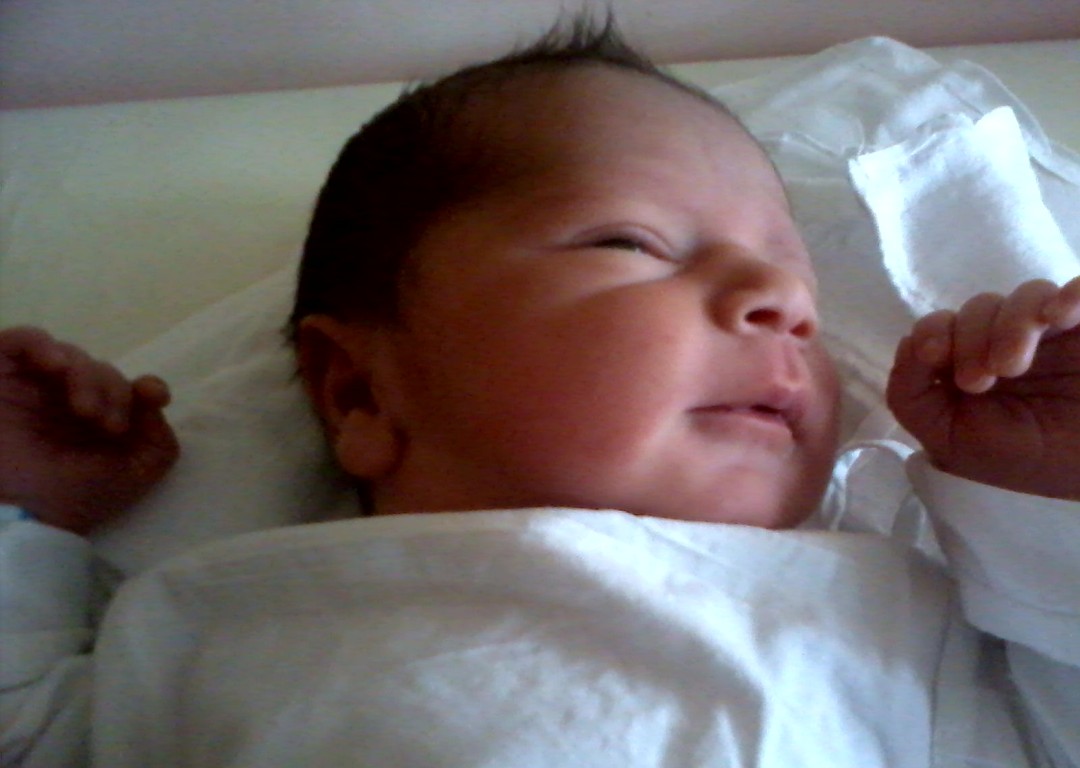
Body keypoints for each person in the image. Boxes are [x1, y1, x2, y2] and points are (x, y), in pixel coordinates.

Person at [2, 18, 1079, 768]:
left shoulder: (893, 621)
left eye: (793, 275)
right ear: (360, 393)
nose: (784, 302)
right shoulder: (218, 621)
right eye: (631, 243)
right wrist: (31, 514)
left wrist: (1037, 498)